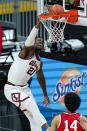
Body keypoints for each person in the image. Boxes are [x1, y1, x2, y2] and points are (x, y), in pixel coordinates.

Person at [4, 19, 50, 131]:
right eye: (38, 41)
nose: (40, 42)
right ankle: (48, 128)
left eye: (42, 42)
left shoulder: (39, 62)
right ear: (33, 43)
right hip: (11, 88)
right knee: (31, 105)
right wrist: (39, 24)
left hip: (24, 89)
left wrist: (45, 95)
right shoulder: (26, 52)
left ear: (43, 47)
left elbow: (40, 78)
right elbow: (31, 36)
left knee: (32, 116)